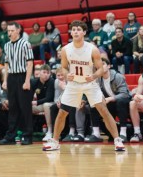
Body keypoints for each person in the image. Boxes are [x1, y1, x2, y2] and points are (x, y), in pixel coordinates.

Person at [42, 20, 125, 152]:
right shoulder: (65, 49)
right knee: (62, 112)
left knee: (103, 110)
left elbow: (100, 69)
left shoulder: (92, 49)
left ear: (84, 32)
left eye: (78, 29)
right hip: (73, 84)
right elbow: (63, 67)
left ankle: (117, 140)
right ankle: (55, 141)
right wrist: (66, 74)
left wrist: (93, 76)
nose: (75, 32)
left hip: (90, 83)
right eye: (73, 29)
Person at [0, 21, 34, 146]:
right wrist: (5, 80)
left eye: (12, 30)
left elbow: (30, 63)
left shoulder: (25, 44)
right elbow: (6, 64)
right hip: (12, 78)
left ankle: (27, 135)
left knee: (25, 107)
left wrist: (27, 81)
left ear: (18, 30)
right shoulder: (7, 45)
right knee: (12, 108)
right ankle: (11, 136)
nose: (10, 33)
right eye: (8, 31)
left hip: (23, 76)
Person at [86, 58, 130, 142]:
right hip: (109, 104)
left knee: (120, 102)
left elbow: (125, 94)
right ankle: (96, 134)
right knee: (94, 103)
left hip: (121, 103)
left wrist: (111, 98)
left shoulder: (118, 76)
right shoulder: (98, 78)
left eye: (103, 64)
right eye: (99, 65)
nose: (101, 66)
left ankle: (123, 134)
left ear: (109, 66)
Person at [31, 64, 55, 139]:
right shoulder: (34, 82)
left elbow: (49, 98)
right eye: (44, 72)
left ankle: (49, 131)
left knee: (46, 105)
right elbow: (28, 95)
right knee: (26, 106)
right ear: (40, 73)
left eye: (48, 73)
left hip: (52, 103)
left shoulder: (51, 81)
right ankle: (26, 130)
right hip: (40, 104)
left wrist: (36, 102)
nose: (46, 75)